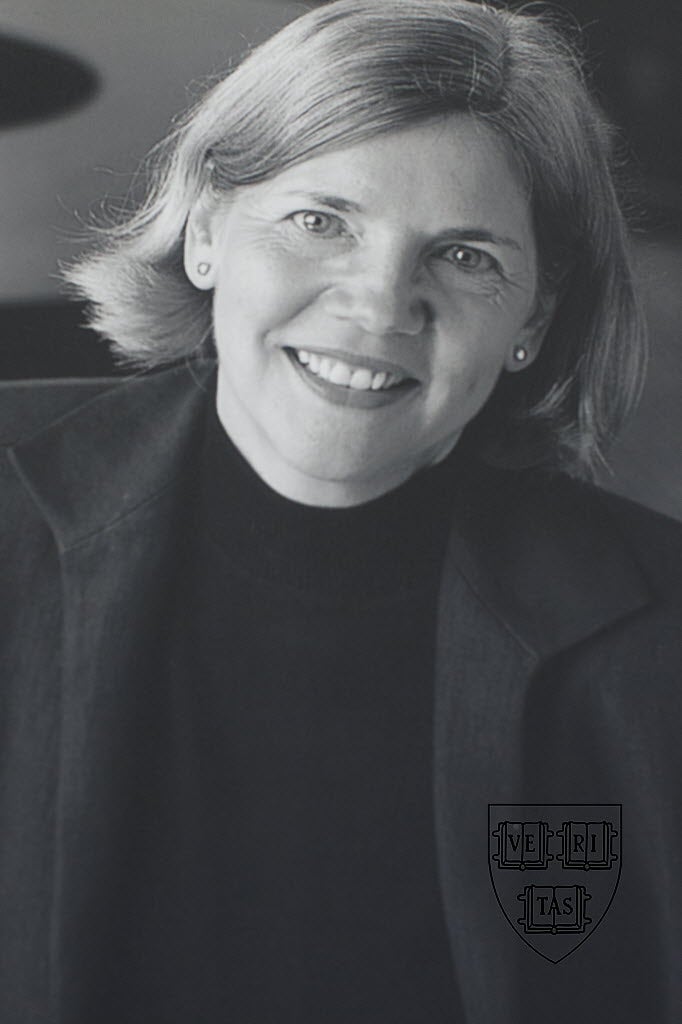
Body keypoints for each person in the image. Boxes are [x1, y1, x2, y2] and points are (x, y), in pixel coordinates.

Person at [2, 1, 681, 1021]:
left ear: (531, 319)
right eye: (320, 221)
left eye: (464, 257)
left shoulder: (659, 628)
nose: (377, 305)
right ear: (207, 230)